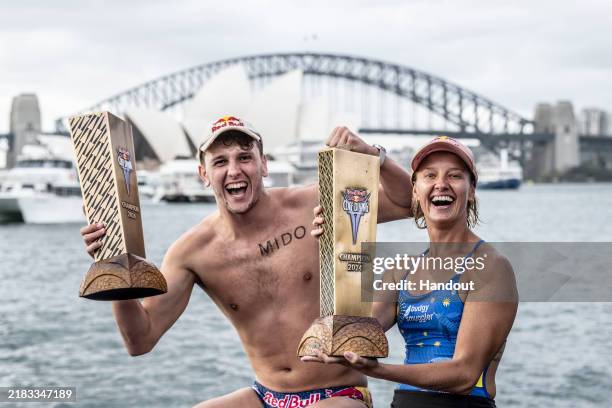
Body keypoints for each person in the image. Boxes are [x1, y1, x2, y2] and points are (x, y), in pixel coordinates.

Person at [80, 116, 414, 408]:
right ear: (204, 174)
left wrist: (376, 157)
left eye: (244, 157)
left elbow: (410, 204)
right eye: (220, 161)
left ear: (263, 165)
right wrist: (113, 263)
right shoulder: (194, 251)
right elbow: (140, 340)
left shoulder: (313, 202)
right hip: (265, 396)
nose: (234, 170)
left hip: (339, 394)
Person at [306, 136, 518, 408]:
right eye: (430, 175)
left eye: (454, 175)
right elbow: (352, 334)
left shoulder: (490, 267)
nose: (441, 184)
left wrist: (378, 370)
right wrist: (332, 247)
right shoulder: (402, 271)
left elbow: (464, 375)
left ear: (472, 189)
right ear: (415, 191)